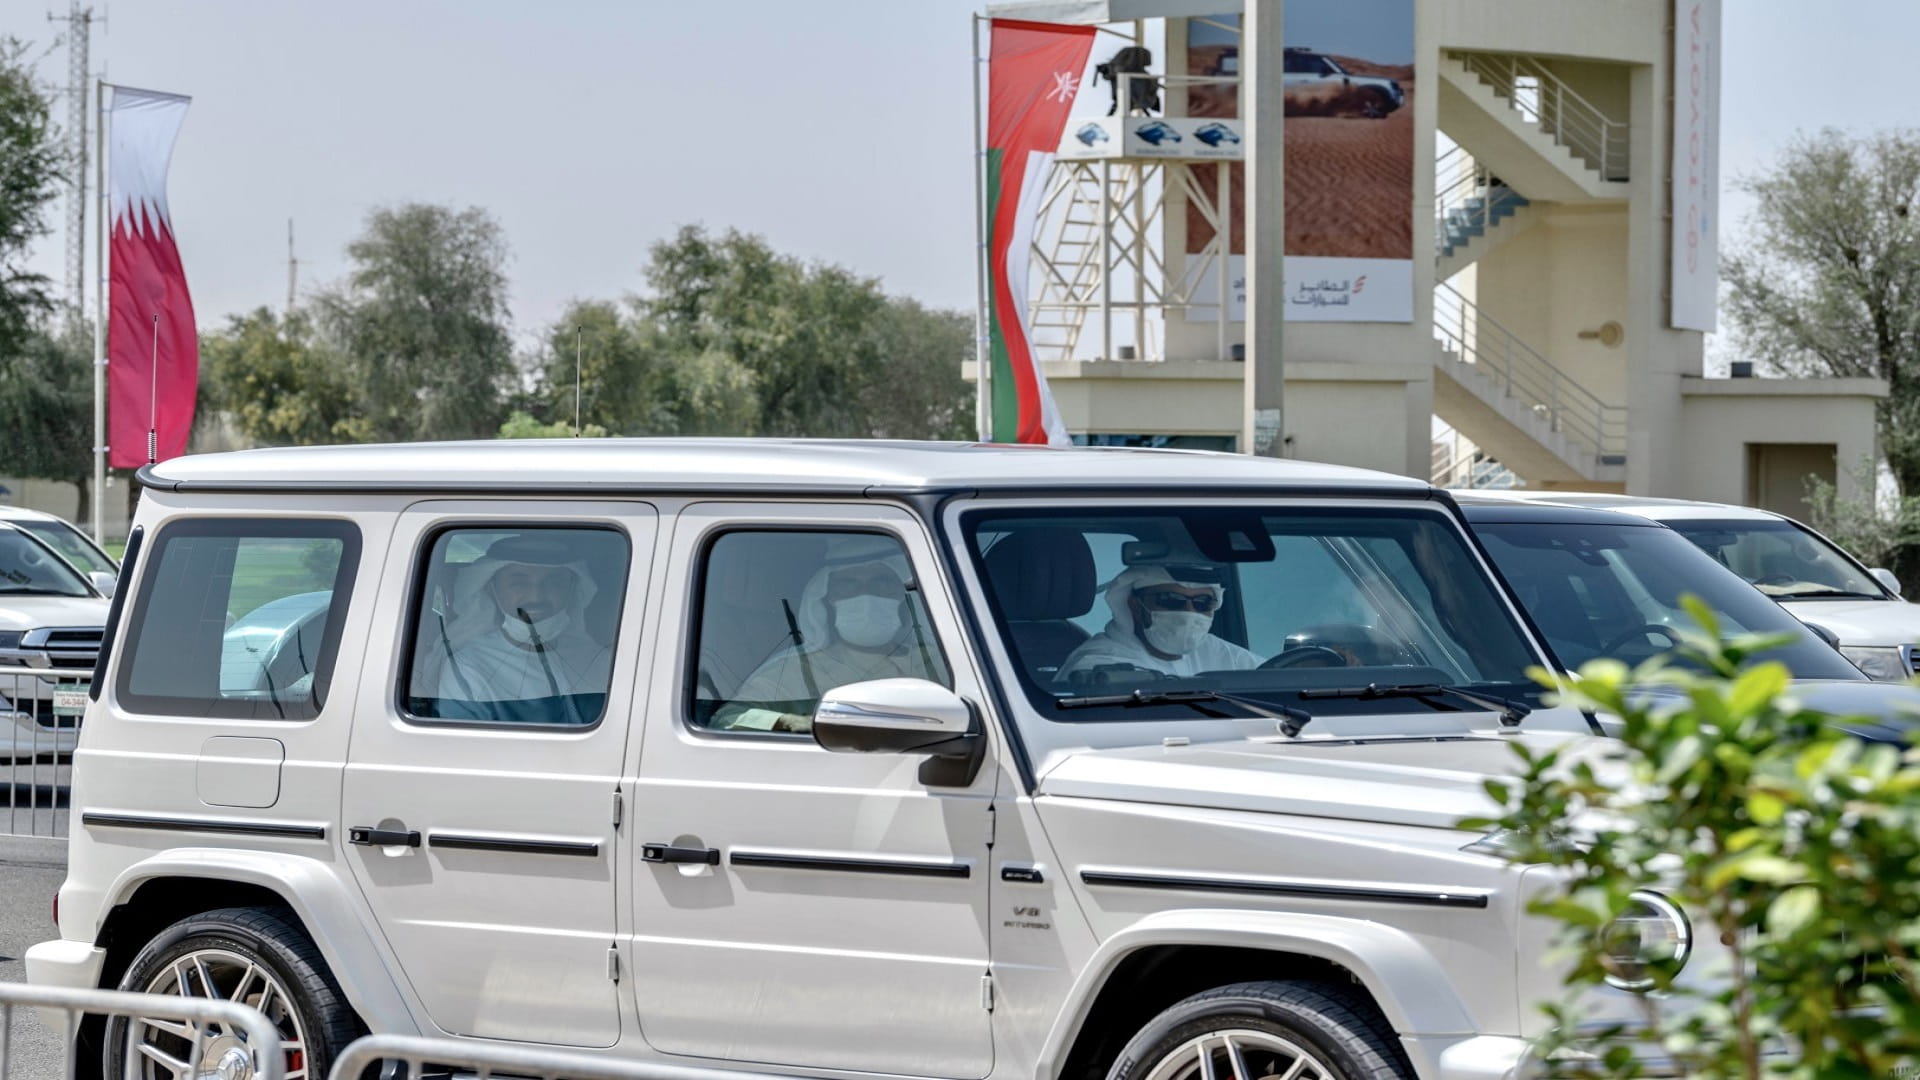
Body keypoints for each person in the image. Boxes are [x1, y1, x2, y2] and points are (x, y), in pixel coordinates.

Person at [712, 546, 944, 733]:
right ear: (826, 598)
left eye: (881, 583)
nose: (866, 596)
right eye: (848, 586)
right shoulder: (797, 668)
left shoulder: (938, 662)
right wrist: (787, 721)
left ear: (902, 595)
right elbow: (727, 719)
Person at [419, 534, 614, 722]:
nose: (536, 596)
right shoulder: (469, 667)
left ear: (570, 589)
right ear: (492, 589)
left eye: (553, 582)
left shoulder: (601, 660)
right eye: (518, 582)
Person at [1057, 564, 1259, 682]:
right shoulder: (1098, 665)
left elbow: (1267, 675)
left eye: (1202, 603)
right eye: (1170, 600)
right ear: (1135, 605)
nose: (1188, 613)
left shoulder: (1215, 650)